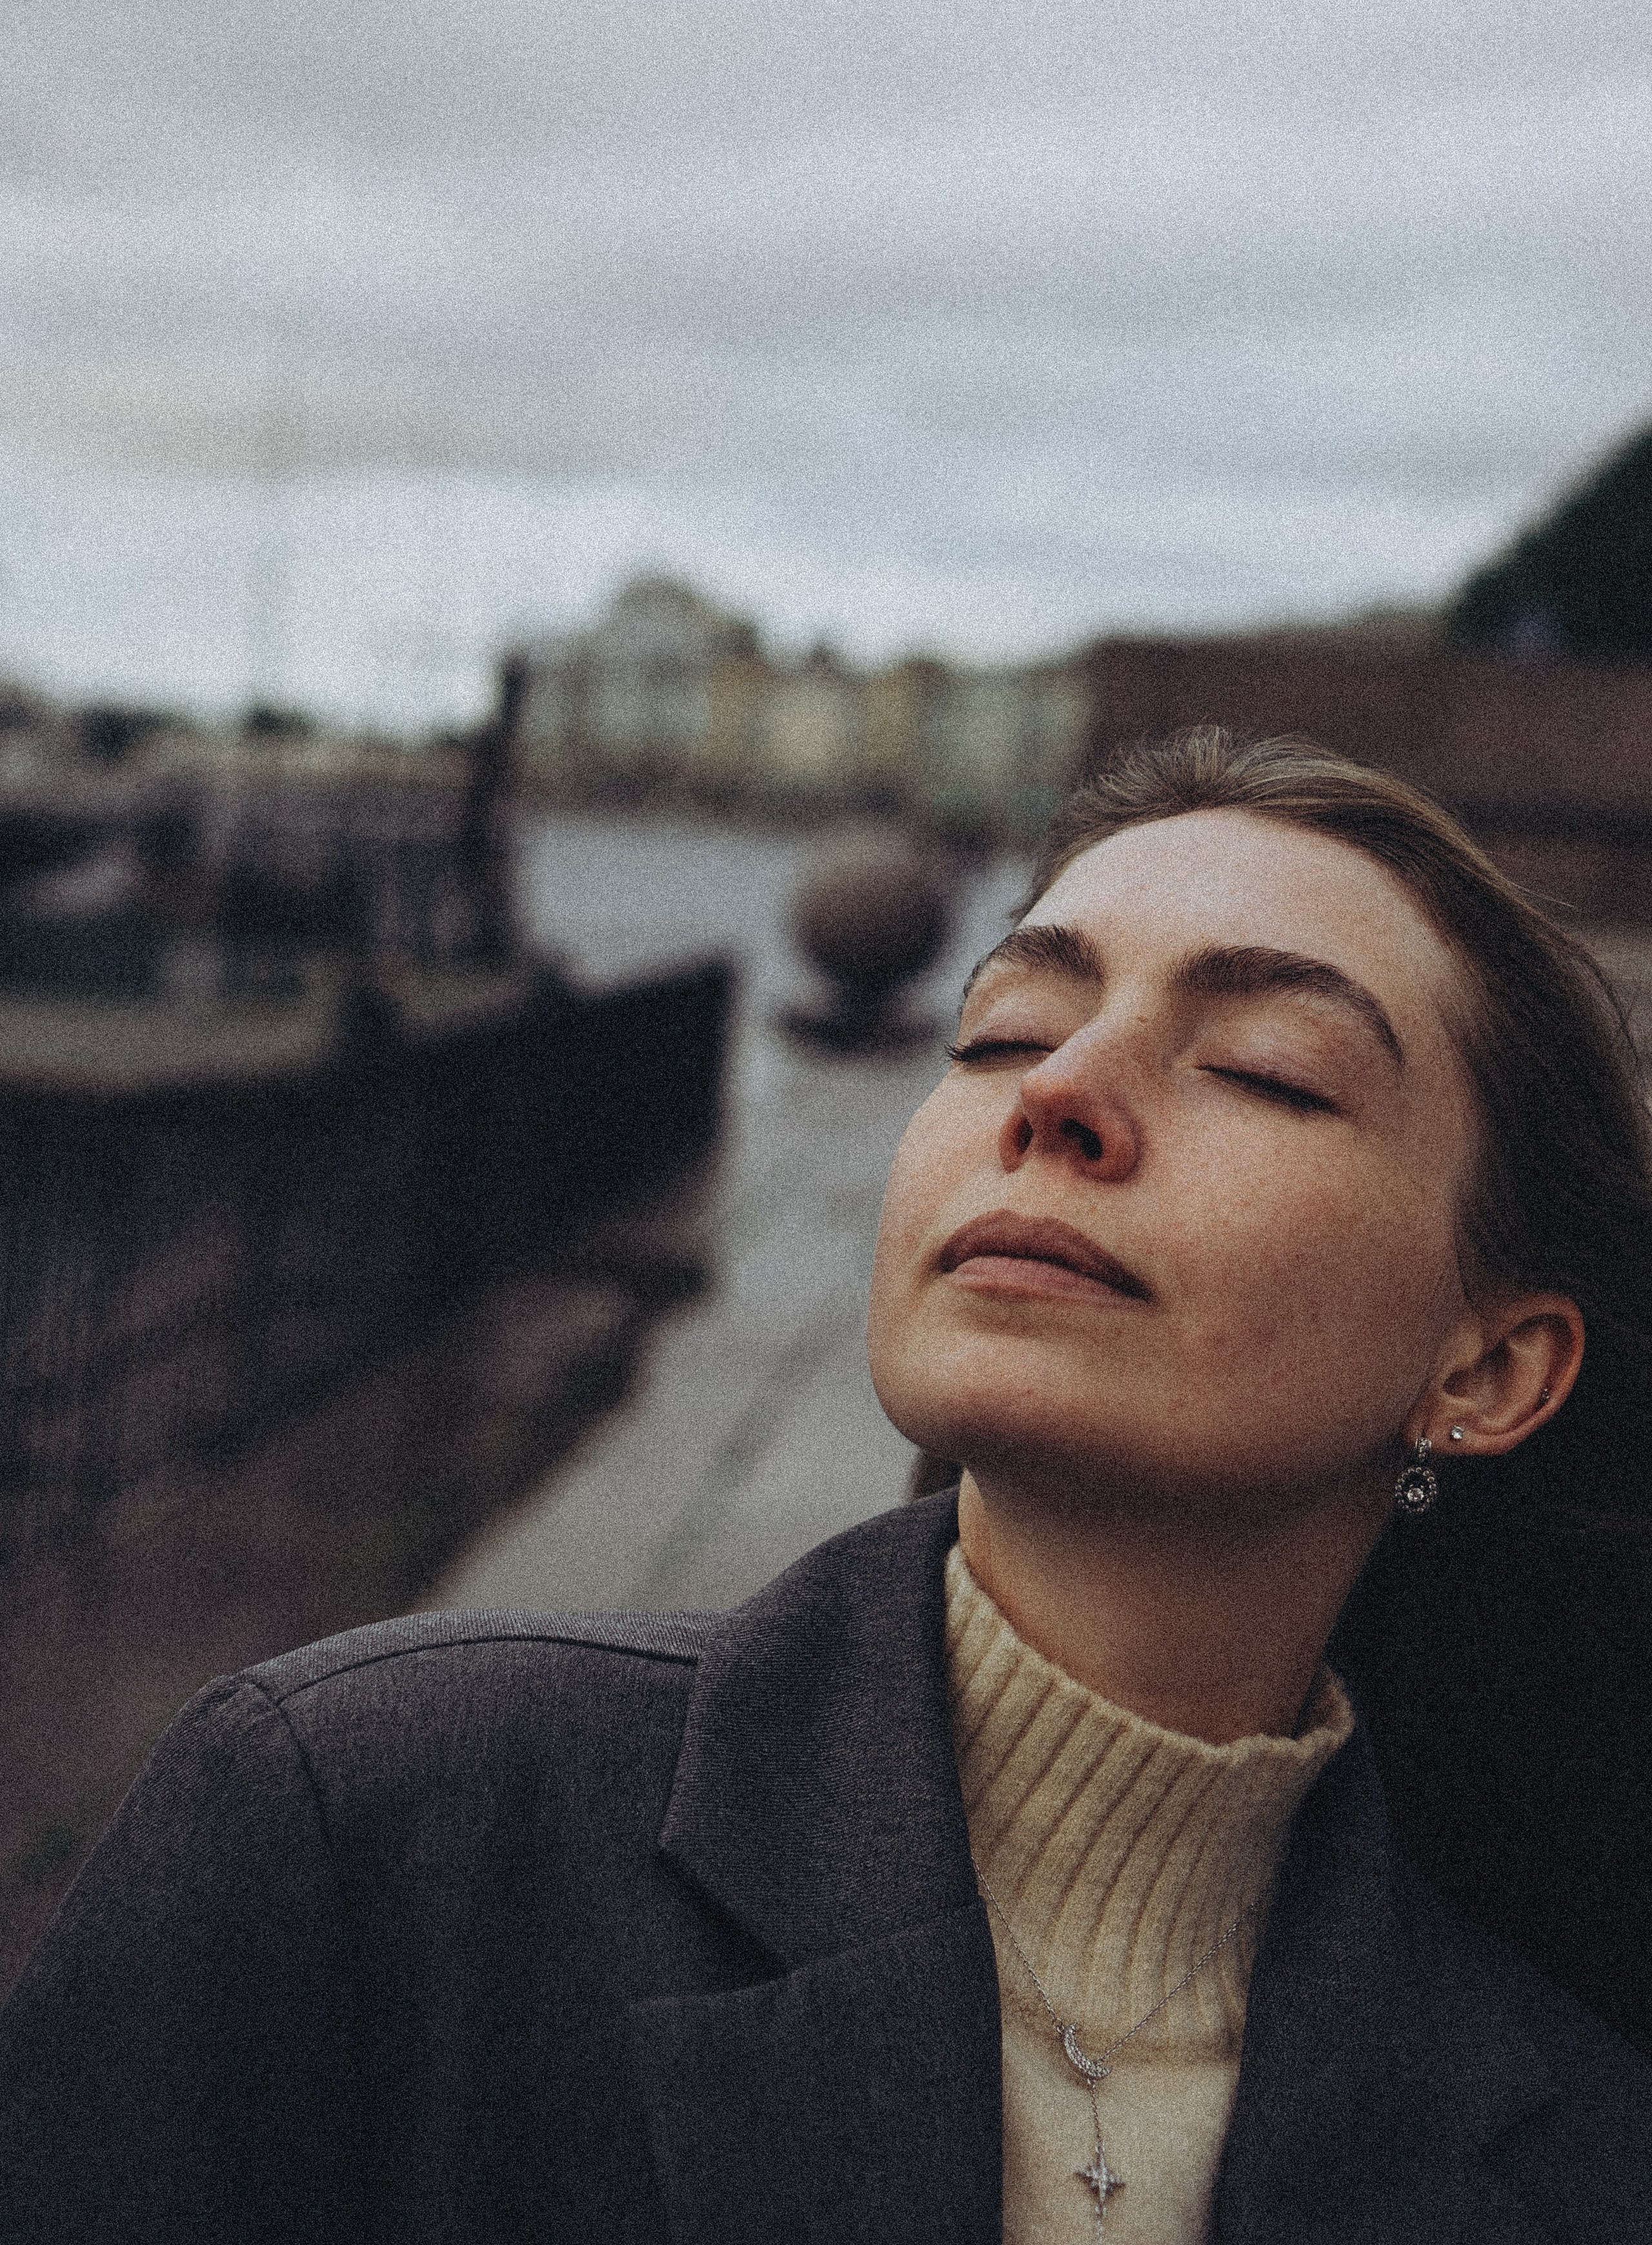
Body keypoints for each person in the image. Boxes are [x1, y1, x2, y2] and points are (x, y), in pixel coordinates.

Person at [2, 726, 1649, 2242]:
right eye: (1003, 1030)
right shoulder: (368, 1837)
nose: (1058, 1092)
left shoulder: (1577, 2151)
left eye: (1268, 1070)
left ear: (1487, 1372)